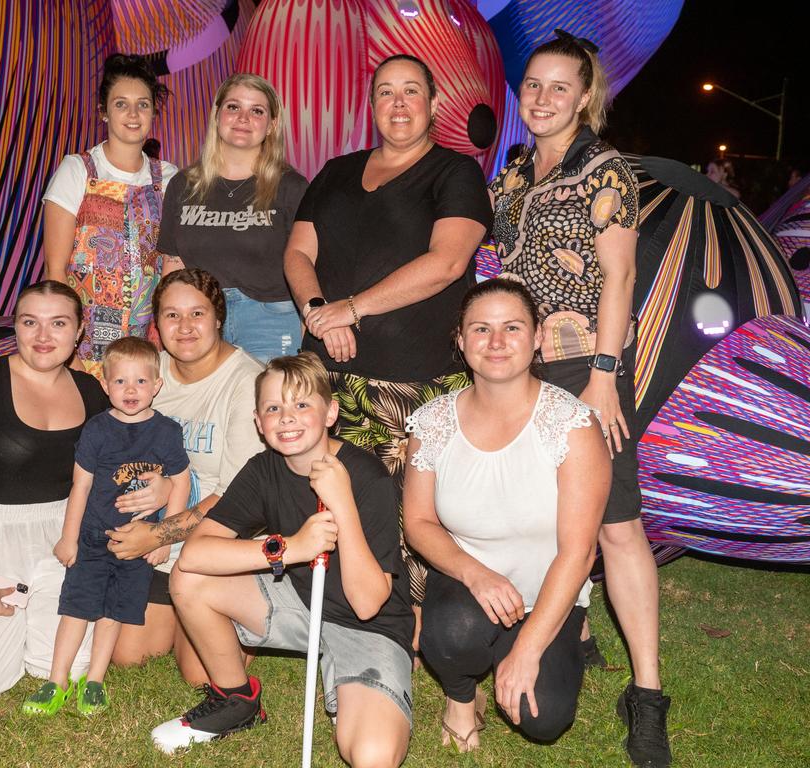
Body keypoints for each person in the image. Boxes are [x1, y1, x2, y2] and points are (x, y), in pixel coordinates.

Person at [487, 29, 671, 767]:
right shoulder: (512, 173)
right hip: (513, 366)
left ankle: (649, 695)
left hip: (581, 367)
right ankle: (580, 629)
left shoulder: (608, 171)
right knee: (542, 512)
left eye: (560, 86)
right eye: (533, 84)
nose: (542, 98)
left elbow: (619, 278)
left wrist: (603, 373)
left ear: (585, 95)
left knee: (617, 523)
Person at [285, 53, 492, 606]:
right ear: (370, 104)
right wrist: (318, 312)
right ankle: (334, 613)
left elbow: (448, 262)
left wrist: (352, 309)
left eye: (411, 92)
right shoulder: (336, 170)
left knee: (410, 512)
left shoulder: (455, 173)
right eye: (385, 93)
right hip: (328, 374)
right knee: (332, 499)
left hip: (412, 379)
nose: (397, 104)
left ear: (433, 103)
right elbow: (299, 252)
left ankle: (416, 628)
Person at [150, 353, 414, 768]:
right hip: (299, 601)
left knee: (373, 755)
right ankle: (237, 702)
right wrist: (292, 547)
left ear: (331, 412)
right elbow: (196, 553)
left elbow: (367, 604)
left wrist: (342, 502)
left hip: (368, 628)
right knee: (188, 578)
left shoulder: (368, 478)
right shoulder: (263, 469)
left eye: (302, 404)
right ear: (258, 421)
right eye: (274, 407)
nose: (286, 418)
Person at [404, 279, 608, 752]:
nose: (496, 343)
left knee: (544, 719)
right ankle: (460, 694)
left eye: (512, 327)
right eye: (481, 329)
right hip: (469, 587)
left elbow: (579, 553)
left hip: (549, 593)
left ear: (537, 337)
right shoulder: (433, 421)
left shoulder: (572, 425)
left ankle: (538, 641)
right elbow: (418, 523)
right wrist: (476, 575)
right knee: (453, 631)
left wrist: (529, 651)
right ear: (460, 340)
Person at [0, 281, 109, 701]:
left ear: (80, 331)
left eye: (58, 323)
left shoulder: (92, 393)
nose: (43, 337)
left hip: (63, 541)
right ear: (15, 327)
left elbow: (114, 471)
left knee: (69, 668)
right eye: (30, 322)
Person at [104, 269, 265, 684]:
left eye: (198, 313)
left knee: (201, 676)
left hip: (221, 536)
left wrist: (155, 535)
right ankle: (184, 608)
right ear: (156, 323)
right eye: (172, 315)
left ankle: (241, 604)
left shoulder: (246, 382)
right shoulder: (145, 374)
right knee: (128, 656)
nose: (186, 327)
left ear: (218, 319)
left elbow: (237, 500)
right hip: (162, 541)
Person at [21, 337, 190, 716]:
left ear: (157, 385)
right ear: (105, 383)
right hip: (94, 539)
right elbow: (79, 486)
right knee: (76, 608)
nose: (131, 391)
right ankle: (56, 680)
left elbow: (181, 481)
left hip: (136, 543)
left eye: (141, 382)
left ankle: (94, 681)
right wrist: (69, 538)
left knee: (114, 612)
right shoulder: (96, 430)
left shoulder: (166, 432)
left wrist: (167, 537)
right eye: (120, 382)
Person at [43, 53, 177, 377]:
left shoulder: (170, 178)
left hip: (146, 353)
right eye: (121, 104)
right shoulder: (77, 170)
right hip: (84, 349)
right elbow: (55, 270)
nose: (133, 114)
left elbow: (173, 270)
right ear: (104, 111)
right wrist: (68, 354)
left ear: (154, 112)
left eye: (143, 104)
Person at [159, 74, 308, 362]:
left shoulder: (292, 187)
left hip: (270, 322)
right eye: (233, 107)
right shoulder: (182, 185)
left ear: (272, 124)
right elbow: (173, 264)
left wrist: (307, 330)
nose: (243, 118)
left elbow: (309, 264)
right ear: (217, 115)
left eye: (256, 110)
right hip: (197, 323)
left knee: (267, 407)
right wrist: (168, 324)